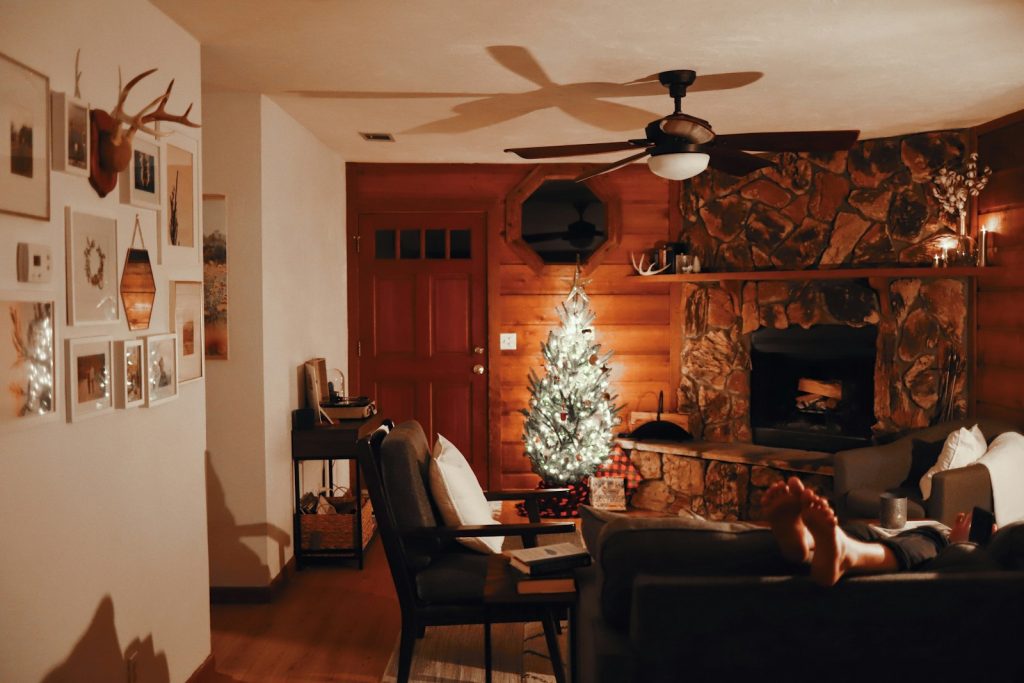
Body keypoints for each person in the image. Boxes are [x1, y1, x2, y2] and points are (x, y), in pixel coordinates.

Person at [762, 477, 992, 586]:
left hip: (941, 547)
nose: (963, 515)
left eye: (970, 521)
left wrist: (963, 544)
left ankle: (847, 554)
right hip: (900, 538)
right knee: (861, 529)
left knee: (929, 538)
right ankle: (805, 540)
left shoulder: (951, 546)